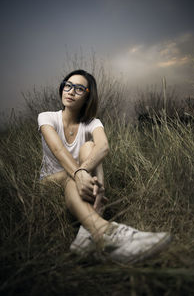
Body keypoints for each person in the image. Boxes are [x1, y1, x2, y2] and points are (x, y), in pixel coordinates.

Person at [38, 69, 171, 264]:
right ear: (62, 89)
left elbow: (103, 147)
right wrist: (78, 172)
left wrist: (85, 173)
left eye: (79, 88)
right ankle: (104, 231)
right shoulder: (47, 117)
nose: (71, 91)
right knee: (71, 175)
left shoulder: (92, 123)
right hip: (50, 182)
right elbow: (58, 150)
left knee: (90, 147)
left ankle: (87, 229)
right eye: (68, 85)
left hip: (83, 182)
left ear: (88, 96)